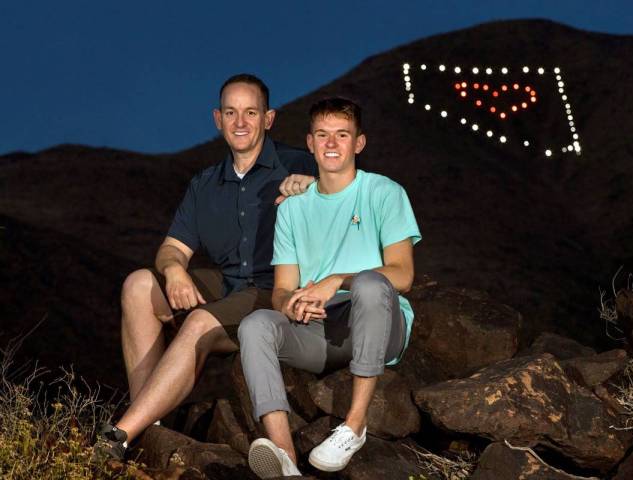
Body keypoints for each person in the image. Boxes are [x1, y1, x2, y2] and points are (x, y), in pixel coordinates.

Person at [93, 73, 317, 460]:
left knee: (199, 322)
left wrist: (314, 186)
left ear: (269, 119)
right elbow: (171, 249)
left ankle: (120, 435)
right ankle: (151, 427)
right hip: (228, 285)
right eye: (231, 112)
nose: (240, 122)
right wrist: (175, 270)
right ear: (218, 119)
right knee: (138, 285)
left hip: (274, 292)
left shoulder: (299, 163)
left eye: (251, 112)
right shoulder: (205, 184)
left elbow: (348, 195)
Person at [238, 97, 421, 478]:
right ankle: (286, 459)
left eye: (342, 135)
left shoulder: (384, 193)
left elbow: (403, 274)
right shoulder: (291, 208)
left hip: (379, 324)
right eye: (323, 135)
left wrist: (336, 281)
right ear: (310, 143)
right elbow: (282, 290)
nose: (332, 144)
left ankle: (354, 427)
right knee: (255, 325)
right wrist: (293, 306)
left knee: (371, 283)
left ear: (359, 143)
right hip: (322, 329)